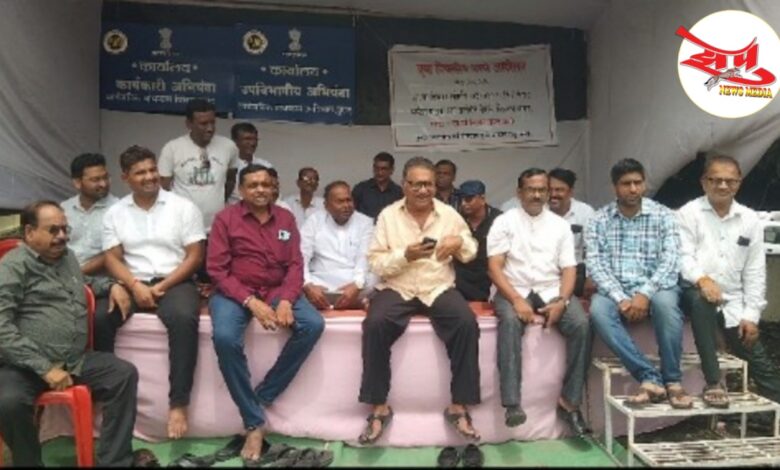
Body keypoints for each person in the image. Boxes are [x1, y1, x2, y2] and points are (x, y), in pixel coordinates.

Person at [0, 201, 142, 466]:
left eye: (65, 229)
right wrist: (44, 368)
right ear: (29, 232)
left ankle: (115, 462)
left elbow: (84, 282)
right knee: (8, 401)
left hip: (74, 360)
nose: (62, 236)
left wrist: (112, 285)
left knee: (123, 374)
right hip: (25, 365)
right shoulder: (13, 266)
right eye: (53, 230)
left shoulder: (67, 258)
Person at [359, 156, 482, 445]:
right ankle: (379, 407)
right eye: (416, 184)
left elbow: (471, 251)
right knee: (374, 324)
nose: (423, 190)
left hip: (436, 286)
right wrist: (406, 255)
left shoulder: (449, 214)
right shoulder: (388, 215)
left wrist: (459, 242)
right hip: (398, 287)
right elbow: (375, 262)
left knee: (466, 323)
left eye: (428, 184)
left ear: (435, 185)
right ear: (404, 185)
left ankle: (459, 406)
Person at [208, 164, 324, 464]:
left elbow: (296, 265)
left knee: (313, 324)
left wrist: (285, 300)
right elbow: (217, 270)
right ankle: (254, 422)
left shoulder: (285, 218)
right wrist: (250, 301)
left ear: (273, 187)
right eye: (253, 185)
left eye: (265, 184)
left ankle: (260, 398)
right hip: (235, 292)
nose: (260, 190)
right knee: (224, 338)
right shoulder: (225, 219)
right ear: (241, 190)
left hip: (276, 289)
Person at [102, 145, 206, 439]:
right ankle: (104, 394)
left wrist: (161, 286)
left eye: (152, 170)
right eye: (140, 172)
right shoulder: (115, 212)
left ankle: (178, 404)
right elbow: (112, 257)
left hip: (174, 281)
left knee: (184, 319)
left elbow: (195, 256)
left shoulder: (183, 207)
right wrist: (134, 285)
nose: (149, 177)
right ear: (125, 177)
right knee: (99, 318)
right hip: (132, 281)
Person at [487, 168, 592, 435]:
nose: (536, 195)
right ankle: (512, 404)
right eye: (531, 190)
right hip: (513, 287)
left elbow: (569, 268)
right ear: (519, 192)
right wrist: (516, 299)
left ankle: (569, 403)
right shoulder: (504, 222)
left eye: (541, 190)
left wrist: (562, 300)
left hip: (550, 288)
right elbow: (494, 267)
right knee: (510, 321)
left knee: (580, 324)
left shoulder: (560, 226)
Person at [585, 159, 691, 409]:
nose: (633, 189)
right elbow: (595, 264)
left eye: (637, 182)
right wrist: (621, 297)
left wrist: (644, 294)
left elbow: (671, 259)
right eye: (626, 184)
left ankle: (673, 381)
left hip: (657, 286)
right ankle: (649, 376)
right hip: (615, 288)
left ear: (644, 184)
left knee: (666, 307)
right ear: (615, 187)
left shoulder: (664, 215)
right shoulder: (599, 220)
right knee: (598, 311)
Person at [678, 155, 780, 407]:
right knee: (702, 302)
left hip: (732, 301)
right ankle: (713, 382)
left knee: (759, 360)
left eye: (730, 181)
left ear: (739, 183)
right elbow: (683, 257)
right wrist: (702, 279)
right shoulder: (689, 213)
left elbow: (755, 271)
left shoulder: (749, 219)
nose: (723, 186)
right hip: (693, 292)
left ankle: (772, 414)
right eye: (716, 180)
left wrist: (751, 315)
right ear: (704, 182)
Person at [158, 98, 239, 231]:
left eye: (213, 122)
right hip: (182, 226)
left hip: (215, 227)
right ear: (189, 124)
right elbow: (163, 188)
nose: (210, 128)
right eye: (203, 124)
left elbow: (230, 179)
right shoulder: (172, 148)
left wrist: (216, 200)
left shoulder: (229, 147)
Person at [301, 180, 375, 310]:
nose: (346, 205)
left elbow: (364, 258)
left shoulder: (365, 222)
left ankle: (330, 302)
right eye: (340, 201)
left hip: (354, 281)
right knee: (298, 281)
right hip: (321, 280)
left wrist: (357, 285)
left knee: (376, 279)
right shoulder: (314, 221)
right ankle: (355, 302)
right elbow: (301, 255)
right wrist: (308, 285)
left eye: (349, 200)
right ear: (326, 205)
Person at [60, 153, 119, 275]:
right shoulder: (64, 209)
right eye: (95, 180)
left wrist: (77, 274)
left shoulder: (118, 209)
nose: (103, 184)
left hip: (103, 280)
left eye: (106, 177)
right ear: (77, 182)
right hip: (64, 274)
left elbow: (114, 253)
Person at [547, 168, 596, 298]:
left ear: (570, 192)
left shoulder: (585, 212)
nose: (553, 194)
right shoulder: (539, 211)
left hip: (575, 271)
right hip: (545, 271)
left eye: (559, 190)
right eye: (550, 189)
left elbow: (593, 249)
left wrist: (590, 277)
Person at [454, 180, 502, 301]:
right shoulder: (456, 218)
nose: (463, 203)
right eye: (461, 199)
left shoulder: (499, 220)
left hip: (489, 274)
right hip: (461, 276)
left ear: (482, 199)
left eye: (468, 199)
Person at [228, 122, 273, 204]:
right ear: (234, 141)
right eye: (247, 139)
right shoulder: (227, 165)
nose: (252, 143)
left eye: (255, 139)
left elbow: (273, 192)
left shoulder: (266, 166)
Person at [352, 151, 403, 219]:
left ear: (391, 170)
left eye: (384, 169)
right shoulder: (360, 189)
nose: (379, 172)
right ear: (373, 168)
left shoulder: (399, 193)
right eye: (377, 168)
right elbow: (351, 213)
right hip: (364, 226)